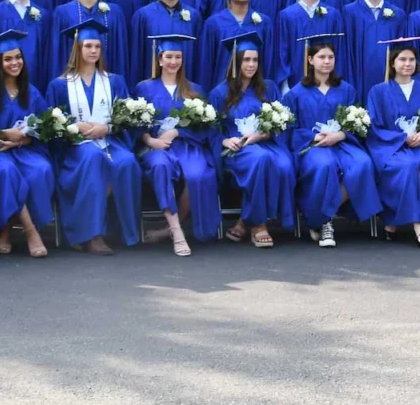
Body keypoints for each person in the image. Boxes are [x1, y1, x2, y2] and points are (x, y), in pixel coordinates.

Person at [47, 20, 142, 254]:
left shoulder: (114, 81)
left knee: (127, 161)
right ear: (77, 49)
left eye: (97, 47)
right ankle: (91, 234)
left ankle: (124, 231)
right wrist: (73, 125)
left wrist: (107, 128)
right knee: (93, 158)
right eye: (87, 46)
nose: (93, 51)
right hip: (76, 146)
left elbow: (125, 118)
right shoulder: (59, 85)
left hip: (109, 140)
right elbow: (52, 124)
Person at [280, 36, 382, 248]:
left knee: (363, 163)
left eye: (331, 57)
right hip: (312, 146)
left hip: (343, 143)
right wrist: (312, 136)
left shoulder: (346, 89)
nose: (326, 61)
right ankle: (325, 222)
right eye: (321, 57)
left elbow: (357, 122)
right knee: (323, 165)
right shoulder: (296, 93)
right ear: (310, 60)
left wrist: (341, 135)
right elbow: (288, 129)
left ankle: (321, 217)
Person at [0, 29, 54, 258]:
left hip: (24, 149)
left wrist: (21, 140)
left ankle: (6, 231)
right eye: (8, 59)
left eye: (18, 57)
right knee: (6, 172)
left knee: (40, 170)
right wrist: (4, 133)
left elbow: (45, 128)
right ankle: (30, 231)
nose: (14, 62)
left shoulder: (32, 92)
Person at [133, 34, 219, 255]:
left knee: (198, 175)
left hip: (188, 145)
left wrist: (178, 131)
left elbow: (206, 127)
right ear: (160, 59)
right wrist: (149, 139)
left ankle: (169, 228)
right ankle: (176, 231)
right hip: (156, 147)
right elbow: (133, 124)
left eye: (178, 57)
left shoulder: (195, 90)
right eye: (169, 56)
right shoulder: (144, 88)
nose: (173, 62)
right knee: (160, 167)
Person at [208, 31, 295, 248]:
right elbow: (211, 127)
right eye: (246, 59)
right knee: (261, 160)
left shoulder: (268, 87)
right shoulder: (220, 92)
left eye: (255, 59)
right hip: (238, 148)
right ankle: (258, 224)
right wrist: (223, 141)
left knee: (284, 165)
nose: (251, 64)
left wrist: (263, 134)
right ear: (236, 62)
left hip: (267, 142)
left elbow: (282, 122)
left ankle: (243, 220)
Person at [365, 37, 420, 249]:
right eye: (402, 59)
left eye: (411, 59)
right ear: (392, 63)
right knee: (405, 167)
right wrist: (402, 138)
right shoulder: (378, 91)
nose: (407, 64)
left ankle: (393, 220)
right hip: (389, 146)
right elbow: (374, 127)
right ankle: (418, 225)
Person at [194, 0, 273, 91]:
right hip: (221, 91)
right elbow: (205, 63)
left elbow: (268, 62)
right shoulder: (214, 24)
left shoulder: (264, 23)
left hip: (255, 93)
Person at [51, 0, 130, 81]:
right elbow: (57, 54)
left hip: (108, 79)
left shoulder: (114, 12)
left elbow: (120, 53)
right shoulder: (63, 12)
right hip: (73, 81)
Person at [129, 0, 203, 86]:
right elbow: (136, 56)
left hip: (184, 87)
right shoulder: (143, 15)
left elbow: (198, 55)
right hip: (151, 86)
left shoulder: (194, 16)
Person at [273, 0, 341, 88]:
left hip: (326, 85)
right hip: (295, 84)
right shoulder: (287, 16)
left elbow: (338, 50)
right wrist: (285, 85)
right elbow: (282, 52)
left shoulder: (333, 15)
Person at [342, 0, 407, 87]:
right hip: (358, 80)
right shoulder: (349, 12)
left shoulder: (398, 15)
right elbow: (346, 52)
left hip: (390, 83)